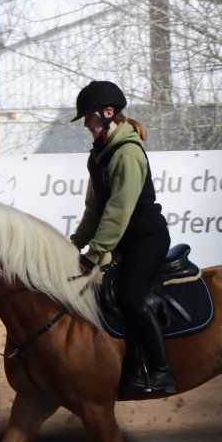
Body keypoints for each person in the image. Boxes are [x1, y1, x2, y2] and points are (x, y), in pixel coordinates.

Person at [69, 80, 176, 394]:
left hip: (147, 238)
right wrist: (75, 244)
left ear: (107, 113)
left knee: (130, 297)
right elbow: (94, 209)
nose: (86, 125)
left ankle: (162, 371)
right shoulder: (99, 155)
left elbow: (118, 211)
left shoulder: (127, 153)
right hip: (125, 241)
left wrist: (94, 252)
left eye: (89, 117)